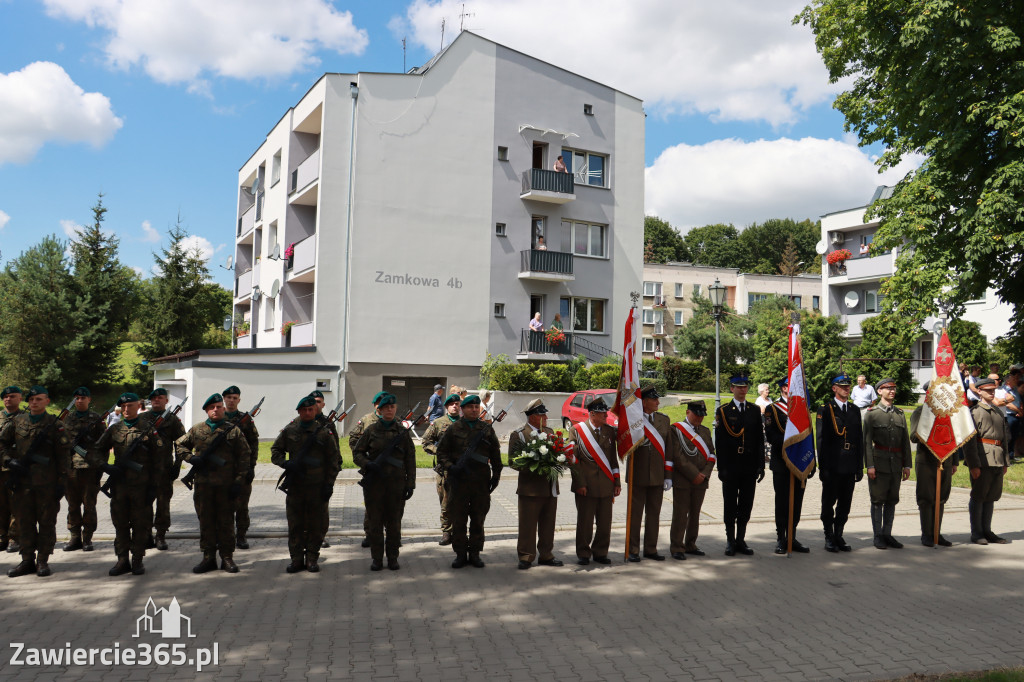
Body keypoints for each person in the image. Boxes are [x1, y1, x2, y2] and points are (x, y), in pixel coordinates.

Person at [89, 392, 164, 576]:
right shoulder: (114, 430)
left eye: (129, 406)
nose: (125, 410)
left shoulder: (148, 429)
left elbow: (159, 461)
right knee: (120, 524)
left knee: (140, 525)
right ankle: (122, 560)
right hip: (119, 487)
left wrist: (154, 487)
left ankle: (137, 560)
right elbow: (94, 451)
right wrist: (106, 466)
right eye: (122, 407)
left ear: (138, 406)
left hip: (142, 487)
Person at [175, 393, 249, 574]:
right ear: (207, 410)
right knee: (206, 522)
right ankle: (208, 557)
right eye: (212, 407)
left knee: (226, 522)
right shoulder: (197, 429)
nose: (216, 410)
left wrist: (239, 482)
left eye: (219, 406)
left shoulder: (233, 431)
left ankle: (227, 557)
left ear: (223, 409)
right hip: (204, 485)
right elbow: (179, 445)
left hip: (226, 486)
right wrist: (191, 458)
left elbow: (244, 457)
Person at [0, 386, 70, 577]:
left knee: (46, 522)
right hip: (22, 483)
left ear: (47, 401)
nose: (34, 403)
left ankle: (43, 561)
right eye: (31, 400)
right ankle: (27, 560)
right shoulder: (17, 421)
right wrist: (9, 460)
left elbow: (64, 457)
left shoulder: (55, 425)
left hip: (46, 484)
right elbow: (2, 443)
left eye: (39, 399)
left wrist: (61, 483)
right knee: (24, 522)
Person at [272, 395, 342, 573]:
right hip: (296, 486)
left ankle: (312, 558)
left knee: (315, 525)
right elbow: (275, 451)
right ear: (299, 411)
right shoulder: (290, 430)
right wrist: (286, 463)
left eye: (311, 409)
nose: (308, 412)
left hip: (317, 486)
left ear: (315, 410)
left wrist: (329, 484)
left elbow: (334, 461)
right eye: (305, 410)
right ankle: (296, 559)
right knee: (295, 524)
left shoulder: (324, 432)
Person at [436, 395, 502, 568]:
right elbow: (441, 453)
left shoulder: (487, 429)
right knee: (458, 520)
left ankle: (475, 553)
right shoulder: (453, 428)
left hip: (480, 482)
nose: (474, 409)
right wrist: (451, 467)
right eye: (470, 407)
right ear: (463, 409)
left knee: (478, 519)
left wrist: (496, 476)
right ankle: (460, 554)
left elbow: (495, 454)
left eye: (476, 406)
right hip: (458, 483)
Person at [353, 393, 416, 571]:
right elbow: (357, 453)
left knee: (394, 524)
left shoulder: (402, 433)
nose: (390, 409)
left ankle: (393, 558)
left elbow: (410, 459)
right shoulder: (371, 430)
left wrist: (410, 484)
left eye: (392, 407)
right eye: (386, 407)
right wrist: (368, 464)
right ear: (379, 410)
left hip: (396, 486)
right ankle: (377, 559)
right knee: (375, 524)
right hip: (374, 485)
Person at [508, 399, 564, 570]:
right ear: (532, 417)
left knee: (548, 524)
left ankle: (546, 554)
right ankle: (526, 555)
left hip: (549, 487)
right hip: (530, 488)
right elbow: (512, 461)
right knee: (528, 525)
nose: (546, 417)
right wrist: (534, 465)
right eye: (542, 414)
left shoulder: (549, 431)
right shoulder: (519, 434)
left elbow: (556, 452)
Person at [714, 376, 765, 556]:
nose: (742, 390)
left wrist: (761, 465)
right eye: (738, 387)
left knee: (746, 504)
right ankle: (730, 540)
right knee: (730, 504)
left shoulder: (754, 410)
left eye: (745, 387)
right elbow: (719, 442)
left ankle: (741, 539)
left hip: (749, 465)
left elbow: (760, 439)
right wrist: (721, 468)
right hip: (731, 465)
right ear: (731, 389)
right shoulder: (724, 410)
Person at [567, 398, 620, 566]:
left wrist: (617, 482)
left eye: (606, 412)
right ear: (592, 414)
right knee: (585, 522)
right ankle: (583, 552)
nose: (606, 415)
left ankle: (600, 552)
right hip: (586, 485)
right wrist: (579, 483)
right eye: (602, 413)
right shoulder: (576, 431)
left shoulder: (609, 431)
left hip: (606, 484)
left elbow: (613, 459)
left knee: (605, 522)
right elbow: (573, 460)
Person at [862, 378, 913, 550]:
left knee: (892, 500)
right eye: (888, 388)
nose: (892, 391)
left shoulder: (899, 414)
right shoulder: (872, 414)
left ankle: (887, 534)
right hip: (879, 463)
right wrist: (869, 465)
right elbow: (867, 442)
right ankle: (877, 536)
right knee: (877, 500)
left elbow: (905, 441)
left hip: (896, 464)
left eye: (893, 388)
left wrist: (907, 465)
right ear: (879, 391)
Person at [816, 375, 864, 553]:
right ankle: (828, 535)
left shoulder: (854, 409)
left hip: (849, 463)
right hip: (833, 464)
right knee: (828, 502)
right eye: (842, 386)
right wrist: (823, 467)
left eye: (848, 386)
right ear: (834, 388)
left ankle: (838, 534)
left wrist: (860, 466)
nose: (846, 388)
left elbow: (858, 439)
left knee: (845, 503)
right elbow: (821, 440)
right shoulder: (826, 409)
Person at [625, 386, 673, 562]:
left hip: (658, 475)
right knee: (635, 515)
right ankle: (633, 549)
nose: (658, 402)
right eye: (654, 399)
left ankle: (651, 548)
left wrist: (668, 475)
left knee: (654, 514)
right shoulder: (633, 421)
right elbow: (623, 446)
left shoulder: (663, 420)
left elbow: (669, 449)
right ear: (644, 402)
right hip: (637, 475)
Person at [764, 378, 811, 554]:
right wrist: (790, 446)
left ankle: (792, 536)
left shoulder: (802, 409)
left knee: (797, 502)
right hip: (782, 463)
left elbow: (808, 435)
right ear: (784, 388)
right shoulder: (773, 409)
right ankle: (781, 538)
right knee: (782, 502)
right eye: (792, 387)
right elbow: (771, 435)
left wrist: (810, 461)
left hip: (800, 462)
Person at [964, 377, 1012, 544]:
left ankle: (987, 530)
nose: (992, 393)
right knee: (978, 496)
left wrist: (1005, 461)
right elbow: (969, 442)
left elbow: (1004, 439)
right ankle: (977, 533)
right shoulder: (975, 412)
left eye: (993, 390)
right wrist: (973, 464)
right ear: (979, 391)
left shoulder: (998, 412)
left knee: (991, 496)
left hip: (997, 459)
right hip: (982, 459)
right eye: (988, 391)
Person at [910, 381, 958, 547]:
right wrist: (929, 422)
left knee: (941, 498)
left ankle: (937, 532)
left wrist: (955, 461)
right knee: (926, 497)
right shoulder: (920, 412)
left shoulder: (949, 413)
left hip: (945, 460)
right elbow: (914, 437)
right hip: (926, 461)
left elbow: (955, 437)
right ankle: (927, 534)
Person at [139, 388, 186, 551]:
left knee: (163, 504)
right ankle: (146, 535)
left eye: (160, 398)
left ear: (166, 401)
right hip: (143, 469)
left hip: (164, 469)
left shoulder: (172, 420)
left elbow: (181, 443)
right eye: (154, 398)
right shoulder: (141, 418)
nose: (156, 400)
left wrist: (177, 466)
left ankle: (160, 535)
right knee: (144, 503)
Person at [668, 401, 715, 560]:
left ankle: (690, 544)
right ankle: (676, 546)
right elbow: (677, 456)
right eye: (697, 415)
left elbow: (711, 455)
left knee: (695, 514)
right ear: (688, 412)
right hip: (683, 478)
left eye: (702, 415)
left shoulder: (705, 431)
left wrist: (704, 474)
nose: (700, 418)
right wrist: (694, 474)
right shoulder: (676, 430)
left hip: (701, 479)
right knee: (680, 514)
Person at [61, 386, 105, 552]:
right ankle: (74, 537)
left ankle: (87, 538)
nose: (80, 400)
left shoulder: (96, 419)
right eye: (77, 398)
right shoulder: (67, 419)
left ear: (89, 400)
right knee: (72, 505)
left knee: (89, 505)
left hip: (89, 469)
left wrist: (100, 465)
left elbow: (104, 444)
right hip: (70, 469)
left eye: (83, 398)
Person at [222, 386, 259, 550]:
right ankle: (225, 536)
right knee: (224, 506)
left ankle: (241, 536)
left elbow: (254, 443)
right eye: (228, 397)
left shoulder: (246, 419)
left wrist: (252, 466)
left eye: (234, 397)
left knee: (242, 505)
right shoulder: (217, 417)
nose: (231, 400)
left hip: (241, 470)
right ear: (224, 399)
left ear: (239, 400)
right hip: (221, 471)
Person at [421, 393, 461, 545]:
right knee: (445, 502)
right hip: (444, 470)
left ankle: (459, 530)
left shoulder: (465, 423)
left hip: (462, 470)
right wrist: (439, 451)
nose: (455, 406)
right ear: (446, 407)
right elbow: (426, 442)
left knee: (461, 502)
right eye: (452, 404)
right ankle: (446, 531)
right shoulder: (438, 423)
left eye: (457, 404)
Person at [348, 391, 386, 548]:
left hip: (389, 471)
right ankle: (370, 534)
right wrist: (365, 459)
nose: (382, 406)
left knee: (389, 505)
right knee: (371, 504)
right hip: (371, 468)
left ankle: (388, 535)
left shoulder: (395, 421)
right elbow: (353, 439)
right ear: (375, 405)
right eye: (379, 403)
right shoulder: (366, 420)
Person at [309, 390, 341, 548]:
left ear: (323, 404)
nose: (315, 404)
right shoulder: (300, 421)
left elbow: (335, 447)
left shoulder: (328, 423)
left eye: (318, 401)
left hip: (322, 473)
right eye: (313, 401)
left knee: (321, 508)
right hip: (304, 473)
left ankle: (320, 536)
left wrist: (336, 468)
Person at [0, 386, 24, 553]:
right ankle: (1, 537)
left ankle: (14, 538)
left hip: (16, 468)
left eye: (12, 396)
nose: (8, 399)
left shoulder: (25, 418)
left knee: (16, 504)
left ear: (20, 399)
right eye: (6, 397)